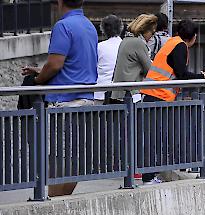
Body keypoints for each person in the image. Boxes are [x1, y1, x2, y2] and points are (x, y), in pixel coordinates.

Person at [21, 0, 98, 197]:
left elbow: (55, 64)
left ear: (59, 2)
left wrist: (38, 79)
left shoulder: (63, 26)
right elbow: (74, 65)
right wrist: (42, 70)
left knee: (59, 158)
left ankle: (55, 202)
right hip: (86, 100)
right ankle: (63, 200)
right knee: (75, 157)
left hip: (65, 102)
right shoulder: (88, 25)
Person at [140, 19, 205, 184]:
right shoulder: (180, 46)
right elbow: (182, 74)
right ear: (194, 37)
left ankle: (150, 175)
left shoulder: (173, 42)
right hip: (158, 96)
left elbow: (177, 72)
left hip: (152, 94)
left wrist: (199, 75)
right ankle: (148, 177)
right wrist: (203, 77)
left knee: (155, 137)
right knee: (156, 138)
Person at [110, 14, 156, 103]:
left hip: (119, 92)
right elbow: (149, 70)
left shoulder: (126, 40)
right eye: (152, 32)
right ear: (145, 30)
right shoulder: (138, 43)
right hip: (130, 93)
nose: (152, 36)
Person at [94, 15, 123, 102]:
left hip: (100, 91)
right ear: (120, 28)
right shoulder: (126, 46)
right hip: (121, 93)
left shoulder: (99, 47)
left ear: (103, 30)